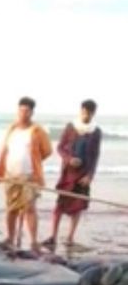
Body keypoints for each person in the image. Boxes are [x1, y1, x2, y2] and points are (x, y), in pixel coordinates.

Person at [43, 100, 101, 248]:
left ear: (93, 113)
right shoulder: (71, 127)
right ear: (80, 110)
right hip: (68, 173)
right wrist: (69, 159)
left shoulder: (96, 131)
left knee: (78, 206)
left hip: (83, 175)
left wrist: (90, 176)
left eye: (89, 113)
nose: (86, 115)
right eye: (84, 112)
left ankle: (70, 238)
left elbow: (95, 156)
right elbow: (60, 147)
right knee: (59, 205)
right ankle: (53, 236)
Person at [0, 97, 52, 250]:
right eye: (21, 110)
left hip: (29, 175)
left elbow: (47, 151)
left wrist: (35, 165)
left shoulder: (37, 131)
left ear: (32, 112)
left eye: (27, 111)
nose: (23, 113)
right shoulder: (11, 129)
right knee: (11, 208)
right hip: (11, 174)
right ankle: (10, 238)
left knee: (30, 208)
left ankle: (33, 241)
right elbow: (5, 150)